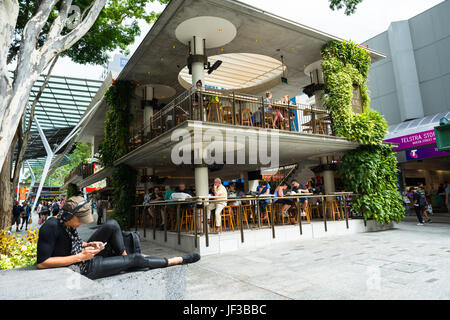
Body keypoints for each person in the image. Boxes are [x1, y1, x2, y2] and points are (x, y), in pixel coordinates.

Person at [36, 196, 200, 280]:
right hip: (81, 268)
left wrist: (88, 244)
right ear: (69, 215)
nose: (81, 224)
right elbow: (42, 263)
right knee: (136, 259)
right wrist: (80, 256)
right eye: (80, 220)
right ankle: (176, 260)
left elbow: (69, 243)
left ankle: (125, 259)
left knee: (112, 224)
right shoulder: (50, 227)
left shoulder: (68, 223)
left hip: (84, 254)